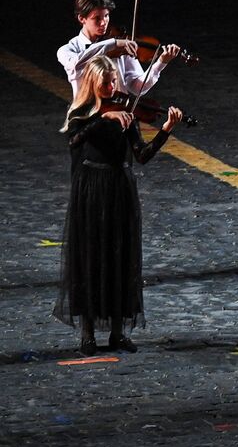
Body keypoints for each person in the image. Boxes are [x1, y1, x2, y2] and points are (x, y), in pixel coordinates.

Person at [54, 56, 182, 355]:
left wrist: (165, 130)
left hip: (120, 189)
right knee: (90, 256)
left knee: (120, 257)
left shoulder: (127, 114)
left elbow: (142, 154)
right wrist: (104, 118)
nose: (112, 88)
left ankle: (117, 332)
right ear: (93, 84)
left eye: (114, 82)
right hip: (91, 191)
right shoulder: (81, 114)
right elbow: (75, 140)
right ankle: (87, 333)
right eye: (106, 82)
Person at [57, 0, 181, 95]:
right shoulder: (67, 50)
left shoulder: (121, 48)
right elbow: (75, 65)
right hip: (87, 119)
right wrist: (114, 43)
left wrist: (160, 64)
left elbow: (137, 88)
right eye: (97, 18)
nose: (103, 22)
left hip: (118, 116)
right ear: (81, 18)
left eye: (106, 16)